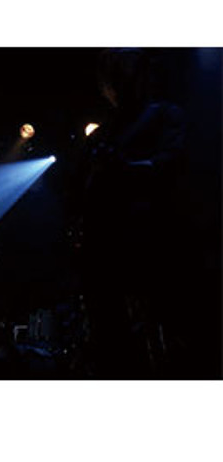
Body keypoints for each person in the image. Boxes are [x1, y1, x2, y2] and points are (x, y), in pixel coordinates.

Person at [76, 48, 186, 377]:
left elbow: (170, 167)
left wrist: (123, 168)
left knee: (160, 334)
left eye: (123, 67)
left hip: (152, 243)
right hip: (109, 250)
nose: (116, 77)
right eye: (111, 70)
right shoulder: (107, 131)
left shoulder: (164, 114)